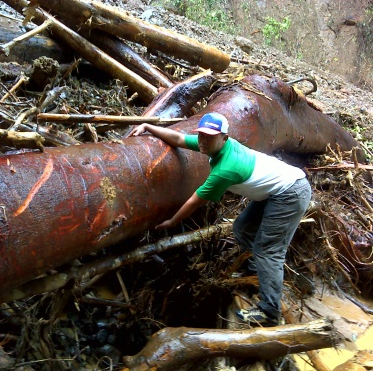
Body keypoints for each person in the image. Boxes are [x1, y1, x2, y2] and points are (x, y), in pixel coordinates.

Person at [128, 112, 311, 326]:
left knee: (268, 249)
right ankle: (255, 271)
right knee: (242, 228)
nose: (203, 141)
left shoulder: (225, 169)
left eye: (210, 136)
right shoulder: (214, 145)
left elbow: (195, 201)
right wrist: (148, 125)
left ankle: (270, 311)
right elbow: (178, 139)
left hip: (290, 193)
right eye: (201, 135)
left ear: (224, 138)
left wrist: (172, 222)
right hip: (273, 191)